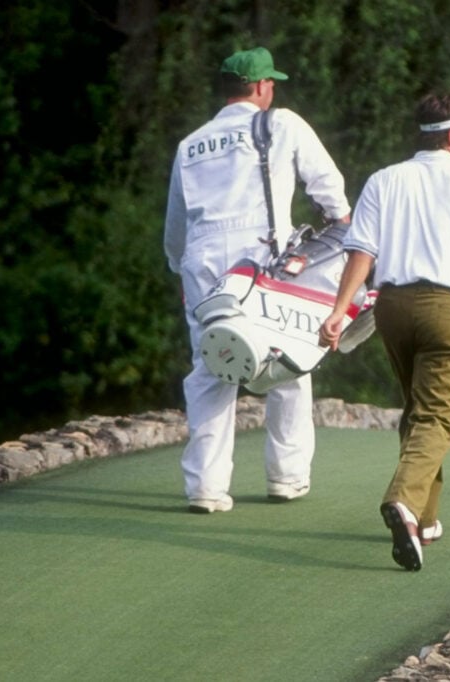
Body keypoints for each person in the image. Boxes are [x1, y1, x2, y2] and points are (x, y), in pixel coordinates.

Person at [319, 93, 450, 570]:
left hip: (393, 306)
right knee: (434, 417)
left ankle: (425, 520)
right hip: (449, 309)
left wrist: (339, 308)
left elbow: (362, 253)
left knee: (418, 408)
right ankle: (405, 502)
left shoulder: (383, 180)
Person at [164, 46, 351, 513]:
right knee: (288, 359)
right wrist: (341, 228)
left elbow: (175, 226)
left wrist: (180, 268)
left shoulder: (191, 143)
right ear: (264, 86)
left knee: (213, 365)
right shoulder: (281, 123)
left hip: (204, 261)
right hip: (264, 258)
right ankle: (286, 478)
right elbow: (329, 189)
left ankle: (205, 488)